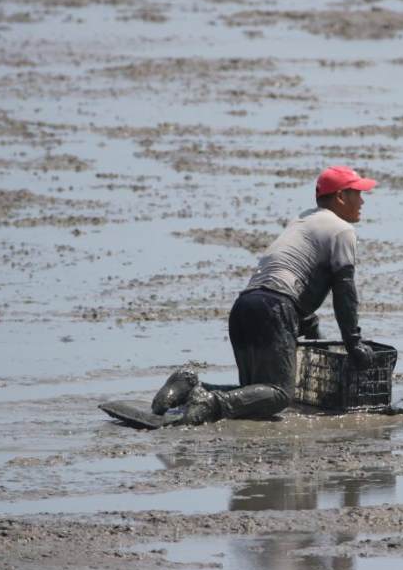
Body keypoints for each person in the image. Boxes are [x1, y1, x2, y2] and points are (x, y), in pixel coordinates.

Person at [151, 165, 377, 426]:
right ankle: (210, 403)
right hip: (275, 308)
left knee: (255, 395)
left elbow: (295, 283)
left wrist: (313, 332)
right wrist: (353, 343)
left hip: (245, 305)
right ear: (340, 197)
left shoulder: (304, 220)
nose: (362, 200)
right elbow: (344, 290)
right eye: (358, 193)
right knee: (280, 395)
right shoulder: (341, 230)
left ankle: (190, 385)